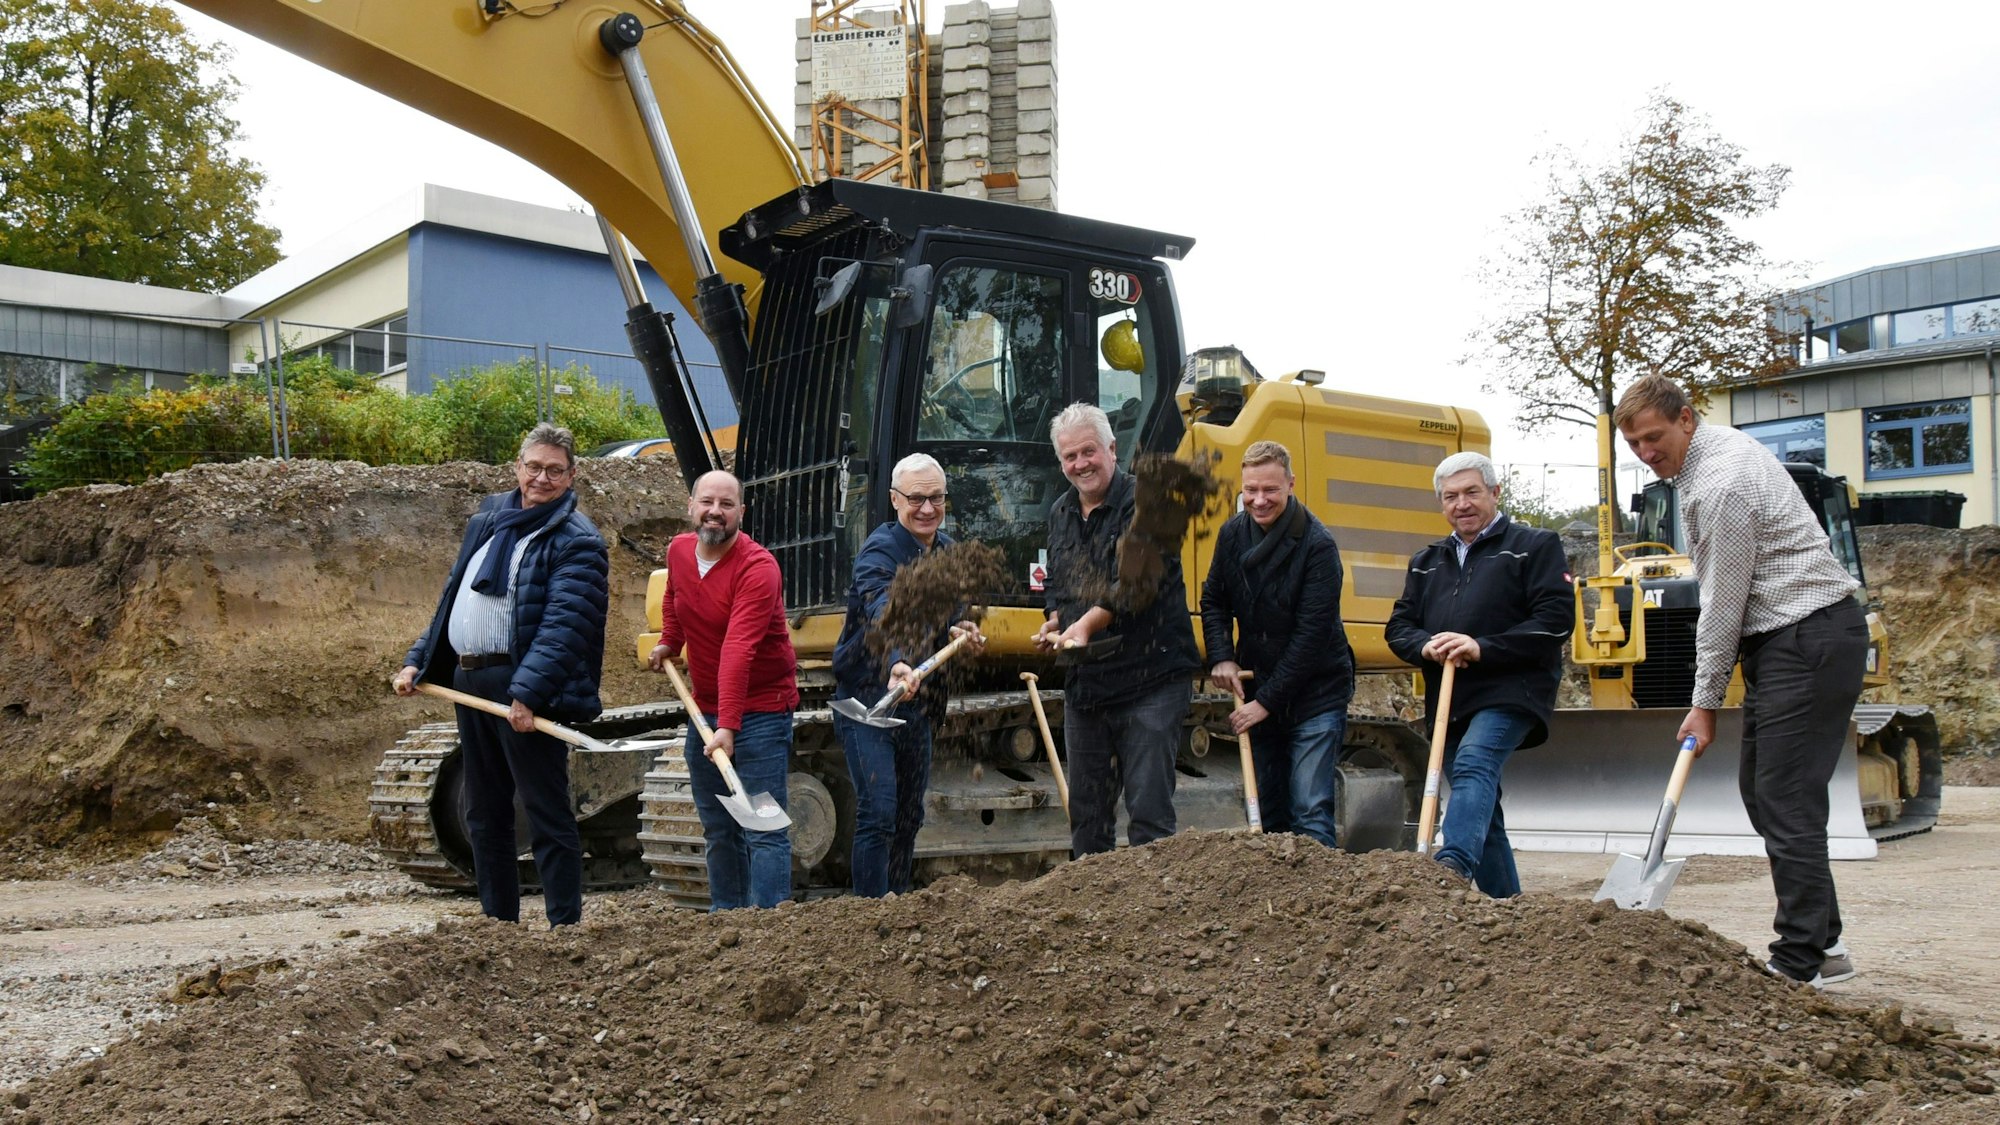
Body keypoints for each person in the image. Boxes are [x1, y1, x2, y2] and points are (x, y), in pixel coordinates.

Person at [1615, 375, 1866, 988]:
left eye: (1655, 437)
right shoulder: (1709, 462)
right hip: (1796, 639)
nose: (1647, 453)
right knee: (1768, 792)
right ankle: (1825, 945)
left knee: (1783, 797)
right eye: (1635, 445)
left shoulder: (1719, 485)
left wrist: (1703, 704)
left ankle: (1799, 959)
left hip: (1805, 636)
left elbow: (1722, 605)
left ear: (1687, 420)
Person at [393, 424, 609, 928]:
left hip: (527, 689)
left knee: (544, 811)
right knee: (483, 810)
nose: (542, 478)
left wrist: (527, 693)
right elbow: (453, 601)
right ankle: (498, 927)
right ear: (518, 466)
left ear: (572, 475)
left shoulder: (577, 541)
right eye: (533, 467)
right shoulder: (490, 520)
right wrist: (418, 660)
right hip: (471, 683)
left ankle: (564, 929)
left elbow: (566, 627)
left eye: (555, 470)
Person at [1386, 451, 1570, 898]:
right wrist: (1425, 645)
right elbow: (1399, 627)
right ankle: (1508, 914)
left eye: (1471, 492)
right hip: (1450, 698)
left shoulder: (1534, 545)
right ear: (1441, 504)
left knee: (1474, 762)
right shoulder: (1427, 561)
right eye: (1450, 497)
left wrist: (1482, 646)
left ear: (1495, 492)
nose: (1461, 504)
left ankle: (1449, 869)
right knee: (1484, 815)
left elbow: (1555, 618)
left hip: (1512, 689)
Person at [1033, 402, 1201, 857]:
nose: (1080, 464)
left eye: (1088, 451)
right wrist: (1056, 620)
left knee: (1147, 814)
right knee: (1087, 818)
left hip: (1151, 677)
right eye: (1069, 457)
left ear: (1112, 448)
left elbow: (1137, 579)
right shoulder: (1061, 512)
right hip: (1089, 683)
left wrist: (1085, 624)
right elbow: (1061, 583)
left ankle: (1153, 915)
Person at [831, 453, 985, 897]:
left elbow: (954, 608)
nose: (927, 509)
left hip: (918, 703)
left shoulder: (951, 552)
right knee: (878, 812)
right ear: (895, 500)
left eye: (936, 498)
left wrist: (960, 624)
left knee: (908, 816)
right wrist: (897, 660)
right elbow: (884, 608)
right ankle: (870, 911)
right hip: (868, 699)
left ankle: (895, 905)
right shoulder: (880, 551)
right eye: (916, 498)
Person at [647, 470, 800, 910]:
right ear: (692, 506)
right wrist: (669, 642)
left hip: (761, 713)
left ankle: (766, 930)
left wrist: (729, 726)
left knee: (763, 827)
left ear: (740, 513)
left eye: (727, 505)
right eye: (707, 502)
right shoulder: (679, 550)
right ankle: (726, 920)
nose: (716, 512)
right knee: (719, 826)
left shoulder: (758, 568)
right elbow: (675, 598)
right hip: (707, 710)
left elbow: (738, 648)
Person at [1200, 440, 1355, 847]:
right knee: (1269, 810)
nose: (1259, 500)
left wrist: (1264, 703)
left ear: (1290, 484)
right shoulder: (1232, 535)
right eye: (1250, 490)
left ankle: (1322, 901)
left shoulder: (1318, 546)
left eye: (1270, 490)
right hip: (1260, 684)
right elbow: (1214, 599)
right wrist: (1221, 657)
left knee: (1309, 807)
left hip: (1316, 691)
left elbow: (1312, 636)